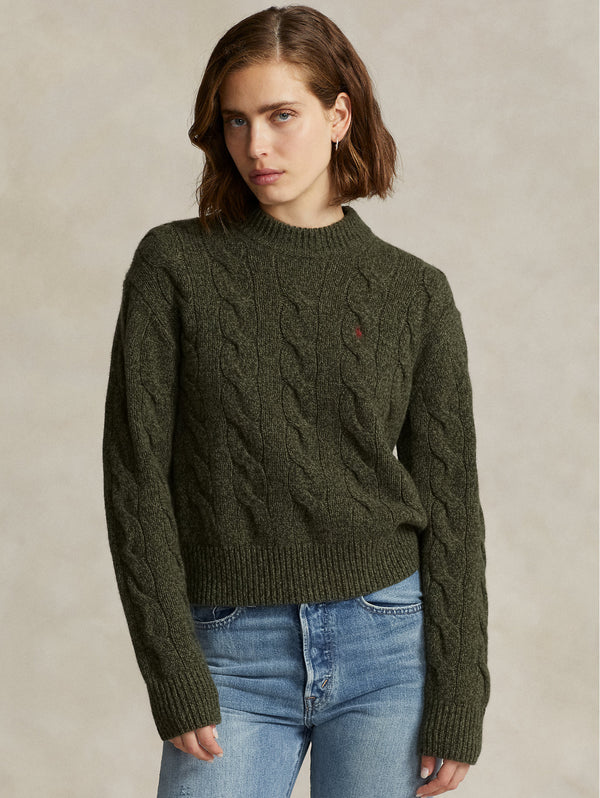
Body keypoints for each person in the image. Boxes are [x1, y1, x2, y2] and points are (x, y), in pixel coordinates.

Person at [102, 5, 490, 797]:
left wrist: (460, 692)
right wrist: (171, 667)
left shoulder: (414, 292)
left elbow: (451, 501)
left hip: (387, 644)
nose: (256, 146)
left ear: (338, 115)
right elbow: (135, 476)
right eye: (236, 121)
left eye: (282, 115)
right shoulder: (173, 266)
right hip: (230, 649)